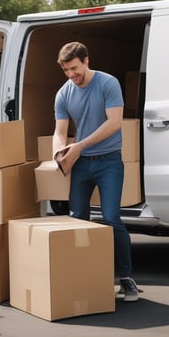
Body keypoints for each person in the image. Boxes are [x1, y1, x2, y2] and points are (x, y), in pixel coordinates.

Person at [53, 41, 139, 302]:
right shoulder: (63, 93)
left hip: (109, 161)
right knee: (77, 219)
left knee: (112, 218)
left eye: (74, 68)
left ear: (86, 60)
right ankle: (84, 278)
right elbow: (59, 131)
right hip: (80, 164)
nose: (71, 75)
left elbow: (114, 123)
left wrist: (79, 145)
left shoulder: (107, 83)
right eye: (66, 70)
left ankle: (126, 278)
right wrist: (59, 153)